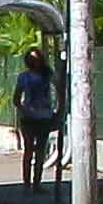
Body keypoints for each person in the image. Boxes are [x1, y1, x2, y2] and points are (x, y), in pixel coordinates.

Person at [11, 47, 64, 186]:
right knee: (28, 149)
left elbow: (58, 90)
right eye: (32, 59)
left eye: (37, 59)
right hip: (28, 118)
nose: (35, 62)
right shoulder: (24, 77)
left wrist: (57, 109)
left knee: (41, 150)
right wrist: (24, 109)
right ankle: (27, 182)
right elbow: (16, 98)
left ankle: (37, 182)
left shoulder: (48, 75)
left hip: (44, 117)